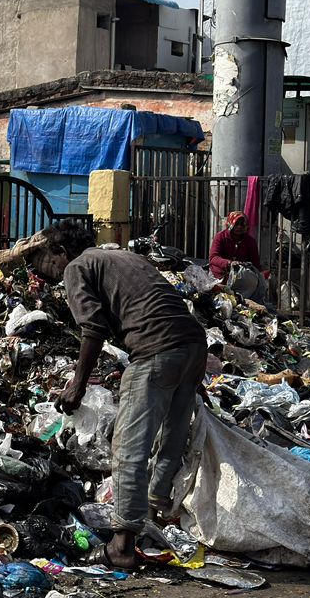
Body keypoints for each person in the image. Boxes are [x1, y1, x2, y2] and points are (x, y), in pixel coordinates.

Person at [30, 219, 207, 569]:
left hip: (156, 348)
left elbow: (92, 329)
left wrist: (77, 385)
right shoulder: (121, 257)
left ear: (61, 252)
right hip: (193, 344)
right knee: (171, 436)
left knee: (128, 449)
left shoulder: (77, 267)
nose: (49, 277)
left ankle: (122, 545)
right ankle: (157, 511)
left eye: (46, 266)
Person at [208, 211, 269, 305]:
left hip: (240, 278)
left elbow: (255, 264)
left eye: (242, 224)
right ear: (230, 224)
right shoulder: (220, 237)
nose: (239, 227)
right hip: (220, 276)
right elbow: (213, 258)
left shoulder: (250, 242)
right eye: (236, 224)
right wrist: (229, 263)